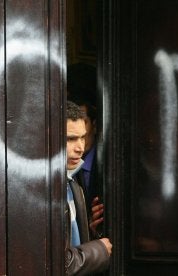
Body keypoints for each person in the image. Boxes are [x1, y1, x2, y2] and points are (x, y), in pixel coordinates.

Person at [65, 101, 112, 275]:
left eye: (83, 137)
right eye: (70, 139)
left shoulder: (73, 182)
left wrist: (89, 232)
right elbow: (59, 262)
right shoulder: (42, 190)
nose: (80, 148)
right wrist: (98, 249)